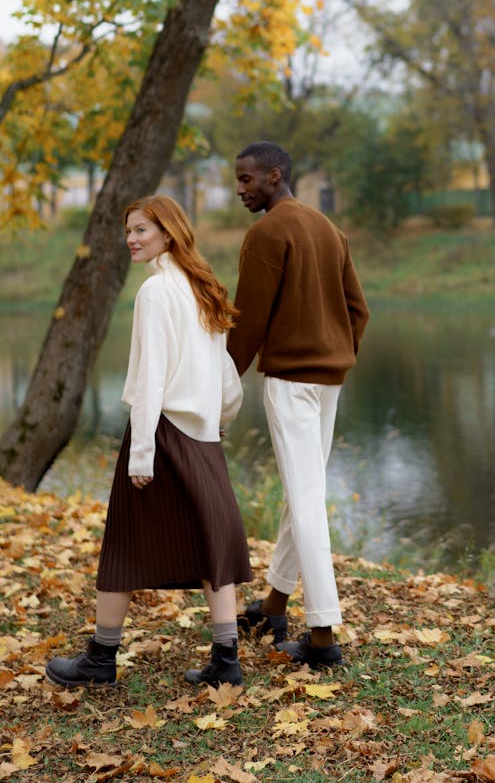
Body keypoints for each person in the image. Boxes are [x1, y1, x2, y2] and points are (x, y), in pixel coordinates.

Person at [45, 195, 251, 690]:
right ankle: (226, 661)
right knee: (213, 544)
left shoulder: (157, 292)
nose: (132, 239)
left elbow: (152, 377)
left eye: (141, 229)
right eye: (129, 231)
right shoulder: (201, 287)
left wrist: (141, 453)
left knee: (123, 546)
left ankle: (100, 659)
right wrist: (220, 419)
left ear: (169, 231)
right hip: (201, 436)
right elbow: (225, 375)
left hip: (161, 435)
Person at [227, 141, 369, 669]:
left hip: (290, 381)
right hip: (329, 380)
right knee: (301, 491)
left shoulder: (268, 233)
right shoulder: (328, 229)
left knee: (306, 498)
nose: (240, 190)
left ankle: (324, 638)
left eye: (247, 180)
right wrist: (337, 357)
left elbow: (248, 324)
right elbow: (359, 310)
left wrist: (220, 387)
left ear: (275, 174)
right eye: (237, 180)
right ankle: (275, 605)